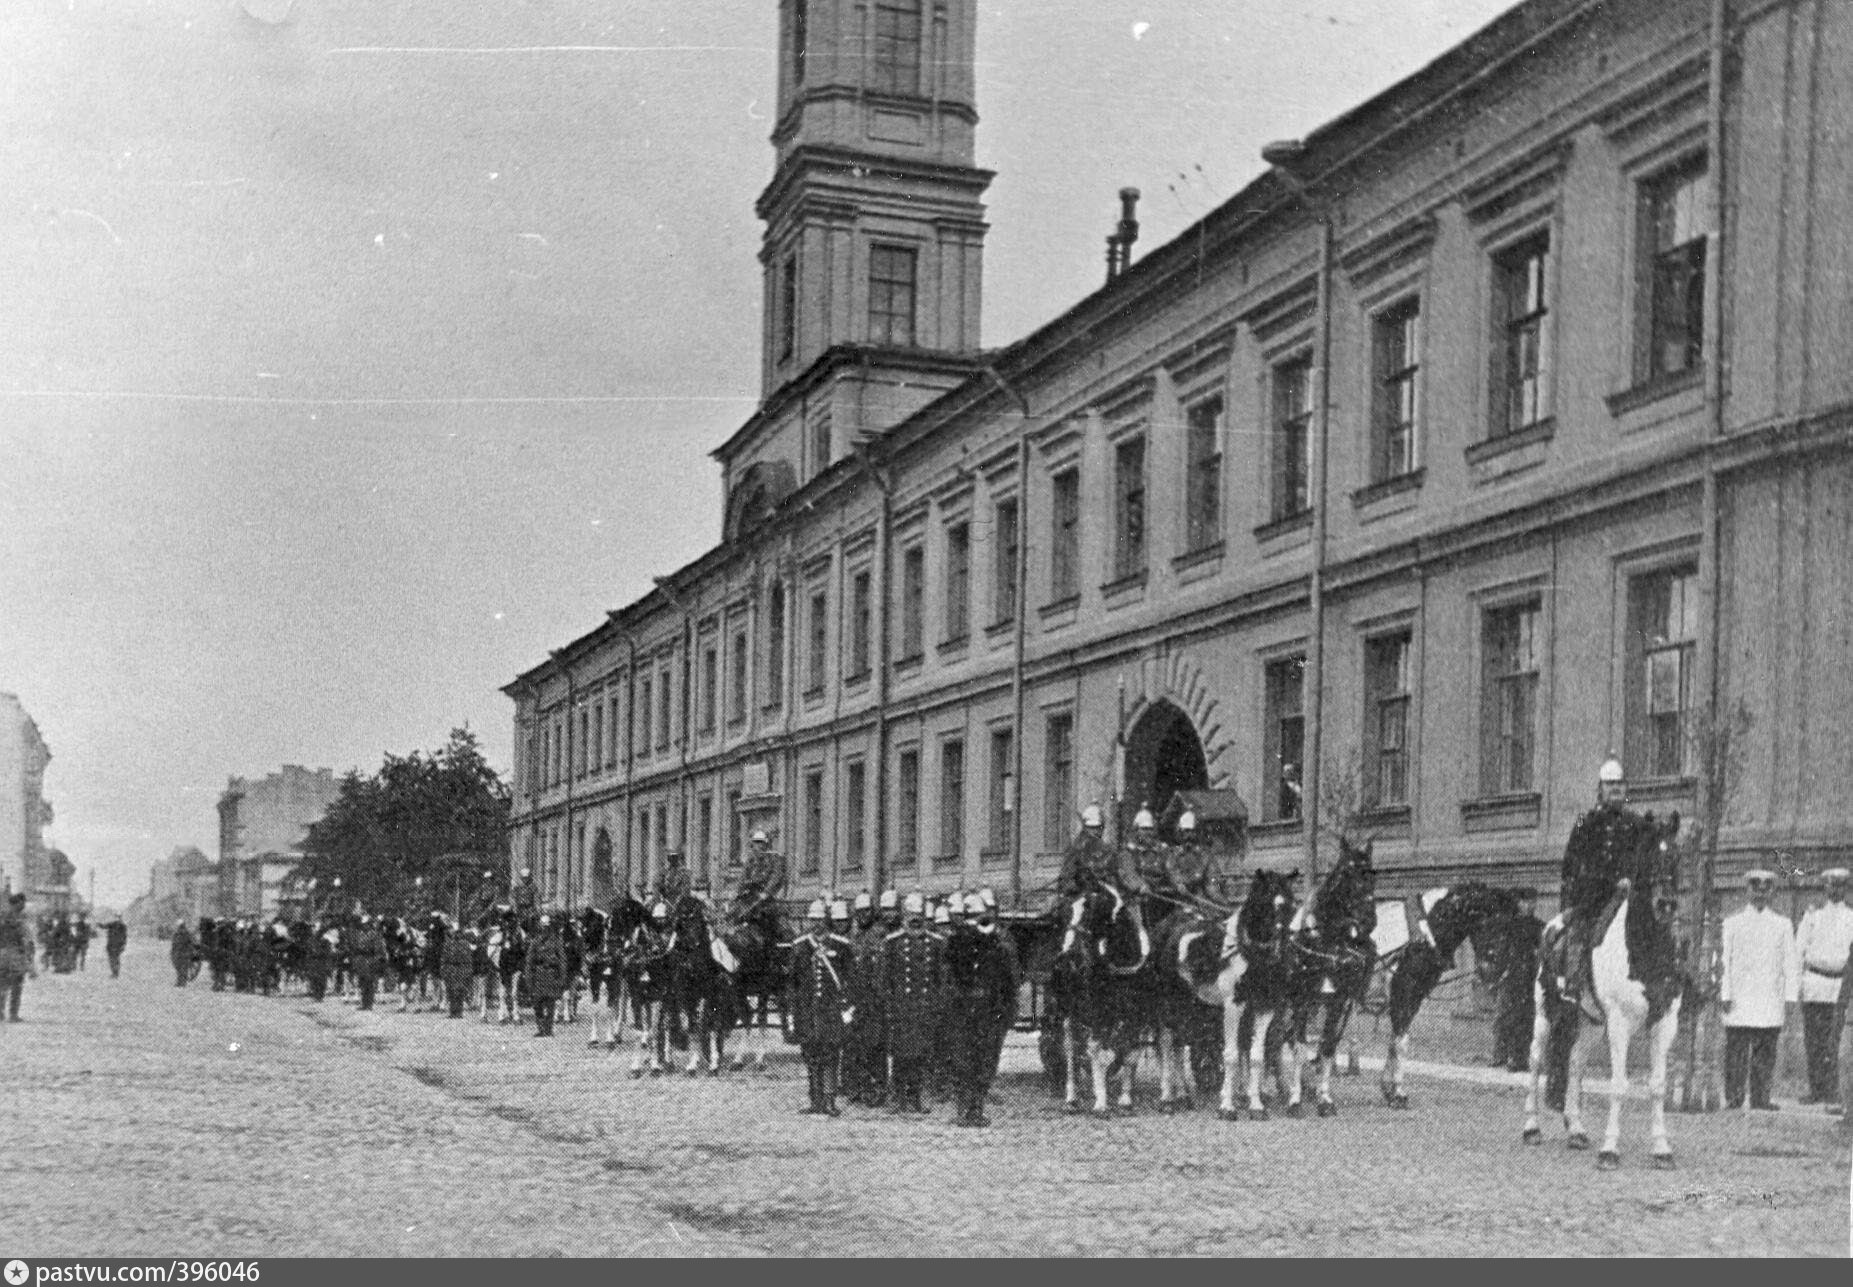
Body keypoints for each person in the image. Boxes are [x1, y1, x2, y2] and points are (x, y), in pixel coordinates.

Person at [1720, 868, 1800, 1111]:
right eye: (1755, 888)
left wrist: (1790, 996)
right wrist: (1724, 993)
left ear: (1772, 892)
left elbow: (1790, 962)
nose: (1760, 893)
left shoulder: (1782, 924)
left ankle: (1761, 1097)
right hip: (1740, 996)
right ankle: (1734, 1096)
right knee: (1736, 1049)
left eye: (1766, 888)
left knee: (1765, 1051)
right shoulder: (1732, 923)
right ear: (1748, 890)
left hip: (1768, 997)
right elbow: (1724, 959)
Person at [944, 894, 1018, 1127]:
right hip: (962, 1010)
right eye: (970, 918)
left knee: (986, 1060)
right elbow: (947, 979)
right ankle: (963, 1108)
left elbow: (1010, 981)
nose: (975, 923)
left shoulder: (997, 945)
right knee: (962, 1060)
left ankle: (977, 1108)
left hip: (989, 1011)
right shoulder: (955, 945)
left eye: (979, 918)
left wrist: (1005, 1013)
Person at [788, 899, 854, 1116]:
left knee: (831, 1055)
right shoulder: (800, 946)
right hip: (808, 1011)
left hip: (830, 1011)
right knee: (811, 1055)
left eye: (819, 920)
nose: (816, 924)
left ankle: (830, 1100)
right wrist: (793, 1010)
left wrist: (846, 1007)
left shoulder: (840, 946)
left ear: (827, 920)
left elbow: (850, 979)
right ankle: (815, 1100)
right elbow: (793, 982)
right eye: (812, 920)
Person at [882, 893, 946, 1115]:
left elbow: (941, 979)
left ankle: (918, 1097)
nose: (915, 920)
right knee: (901, 1055)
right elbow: (885, 979)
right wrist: (889, 1006)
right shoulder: (893, 943)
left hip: (925, 1007)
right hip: (902, 1008)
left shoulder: (936, 944)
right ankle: (899, 1097)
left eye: (919, 916)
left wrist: (937, 1005)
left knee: (922, 1056)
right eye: (911, 915)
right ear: (904, 916)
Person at [1795, 868, 1853, 1106]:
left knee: (1835, 1040)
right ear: (1824, 887)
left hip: (1839, 985)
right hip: (1815, 984)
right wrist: (1798, 983)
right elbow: (1800, 950)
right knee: (1814, 1040)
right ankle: (1816, 1088)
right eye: (1831, 884)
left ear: (1846, 888)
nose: (1835, 889)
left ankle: (1833, 1090)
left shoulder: (1851, 917)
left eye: (1840, 885)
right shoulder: (1812, 916)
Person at [1490, 888, 1545, 1071]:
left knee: (1525, 1018)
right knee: (1503, 1016)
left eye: (1533, 901)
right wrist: (1499, 973)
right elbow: (1501, 951)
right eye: (1527, 901)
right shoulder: (1509, 925)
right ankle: (1499, 1054)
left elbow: (1542, 953)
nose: (1531, 905)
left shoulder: (1539, 926)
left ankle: (1518, 1058)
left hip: (1529, 979)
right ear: (1519, 903)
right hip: (1510, 976)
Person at [844, 892, 888, 1107]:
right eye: (860, 912)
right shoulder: (853, 937)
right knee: (854, 1045)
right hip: (855, 998)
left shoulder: (879, 935)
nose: (863, 915)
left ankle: (877, 1089)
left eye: (867, 911)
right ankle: (855, 1087)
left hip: (873, 1000)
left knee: (875, 1045)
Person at [733, 830, 788, 930]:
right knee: (736, 913)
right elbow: (742, 877)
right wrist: (737, 892)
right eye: (756, 843)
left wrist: (766, 892)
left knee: (768, 918)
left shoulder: (774, 859)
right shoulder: (751, 860)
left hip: (767, 897)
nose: (758, 846)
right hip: (751, 895)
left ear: (766, 844)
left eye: (761, 843)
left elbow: (776, 876)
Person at [526, 915, 568, 1037]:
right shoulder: (534, 942)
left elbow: (562, 960)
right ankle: (540, 1028)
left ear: (550, 927)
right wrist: (529, 978)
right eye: (543, 926)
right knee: (537, 1004)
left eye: (547, 926)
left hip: (551, 975)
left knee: (550, 1004)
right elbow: (529, 961)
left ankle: (548, 1029)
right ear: (539, 927)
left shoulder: (556, 942)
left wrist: (562, 978)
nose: (545, 929)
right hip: (538, 975)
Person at [0, 893, 35, 1021]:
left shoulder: (2, 916)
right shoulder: (20, 919)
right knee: (16, 985)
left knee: (2, 985)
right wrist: (29, 957)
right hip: (15, 955)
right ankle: (13, 1014)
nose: (24, 905)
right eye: (23, 902)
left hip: (2, 954)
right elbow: (27, 939)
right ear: (17, 903)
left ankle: (1, 1013)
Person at [348, 915, 388, 1011]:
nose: (364, 926)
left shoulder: (375, 935)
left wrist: (375, 961)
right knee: (362, 983)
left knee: (369, 983)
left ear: (370, 925)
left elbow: (379, 950)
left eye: (366, 924)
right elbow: (356, 947)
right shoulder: (360, 934)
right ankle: (363, 1003)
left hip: (370, 960)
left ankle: (369, 1004)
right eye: (363, 925)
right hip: (361, 961)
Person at [440, 918, 477, 1019]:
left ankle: (459, 1012)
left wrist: (468, 971)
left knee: (459, 991)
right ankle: (453, 1012)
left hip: (460, 969)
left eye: (457, 933)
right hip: (451, 969)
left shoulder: (464, 944)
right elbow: (444, 959)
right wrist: (443, 970)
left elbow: (468, 959)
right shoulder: (448, 944)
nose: (456, 935)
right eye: (454, 933)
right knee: (451, 990)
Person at [169, 918, 196, 988]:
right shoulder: (177, 933)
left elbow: (190, 943)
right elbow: (174, 944)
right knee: (180, 969)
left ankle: (182, 982)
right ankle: (180, 982)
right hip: (180, 953)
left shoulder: (185, 933)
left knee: (182, 969)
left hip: (182, 953)